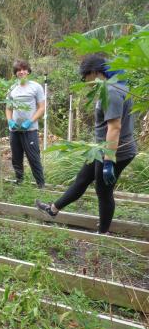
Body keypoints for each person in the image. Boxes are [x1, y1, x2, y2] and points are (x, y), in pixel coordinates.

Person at [36, 54, 137, 234]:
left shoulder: (112, 91)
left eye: (86, 77)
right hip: (101, 149)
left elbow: (114, 127)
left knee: (103, 191)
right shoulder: (114, 87)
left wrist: (108, 162)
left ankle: (103, 232)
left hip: (114, 151)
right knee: (82, 179)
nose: (85, 81)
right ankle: (53, 209)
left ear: (95, 72)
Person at [5, 59, 45, 188]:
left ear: (28, 71)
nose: (21, 72)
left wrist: (30, 121)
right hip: (15, 130)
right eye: (18, 70)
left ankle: (41, 185)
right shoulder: (12, 88)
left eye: (24, 69)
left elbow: (42, 108)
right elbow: (8, 108)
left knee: (34, 158)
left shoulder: (36, 87)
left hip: (30, 129)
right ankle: (19, 182)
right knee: (16, 158)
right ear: (15, 73)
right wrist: (10, 121)